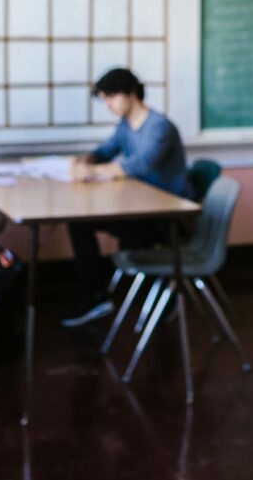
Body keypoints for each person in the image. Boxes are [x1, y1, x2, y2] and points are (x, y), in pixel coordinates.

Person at [62, 67, 190, 328]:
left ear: (131, 93)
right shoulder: (125, 126)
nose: (107, 104)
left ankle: (151, 296)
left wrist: (93, 171)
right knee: (79, 222)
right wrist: (84, 160)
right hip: (141, 208)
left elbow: (139, 165)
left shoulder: (160, 127)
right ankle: (95, 296)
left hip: (166, 215)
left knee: (119, 231)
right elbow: (105, 151)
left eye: (111, 97)